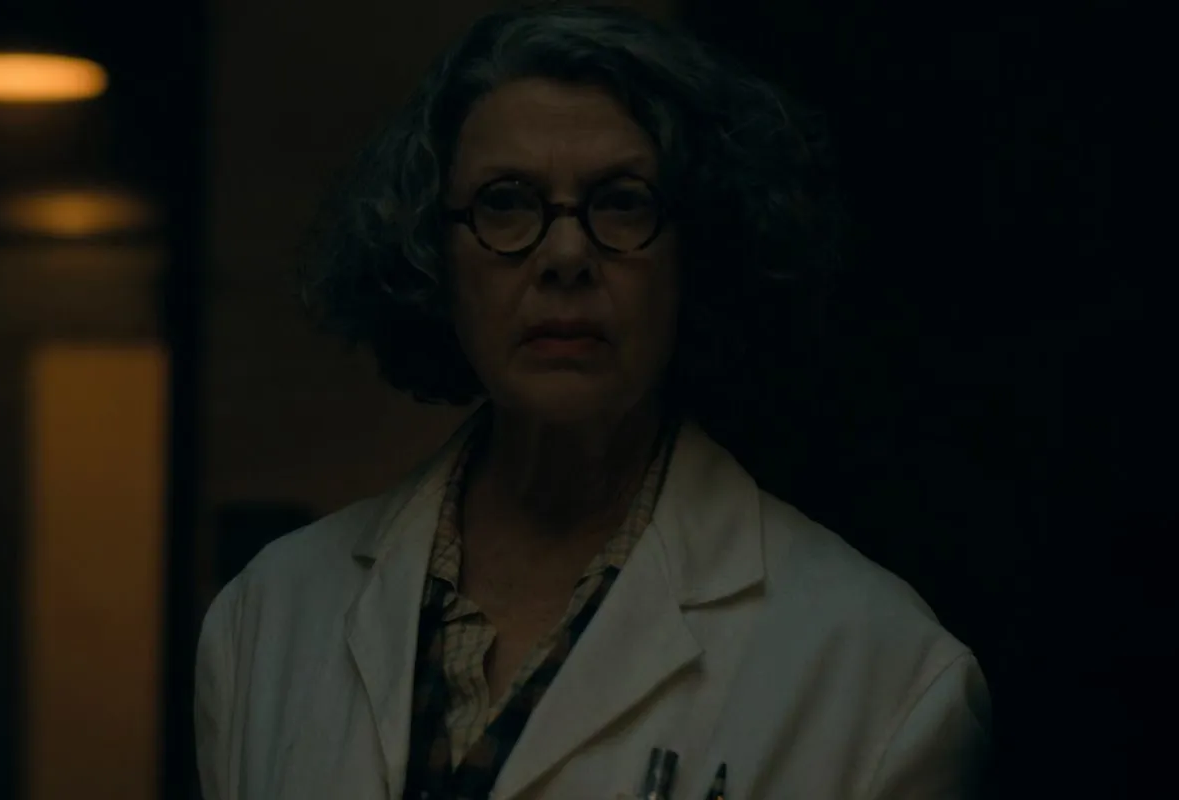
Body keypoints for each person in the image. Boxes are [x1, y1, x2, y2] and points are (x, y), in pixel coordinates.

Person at [194, 4, 990, 799]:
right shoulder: (268, 619)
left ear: (696, 250)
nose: (567, 253)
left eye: (621, 201)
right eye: (507, 201)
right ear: (433, 253)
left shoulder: (883, 673)